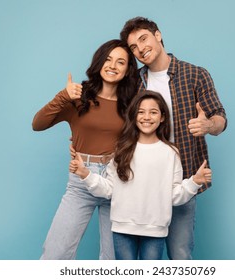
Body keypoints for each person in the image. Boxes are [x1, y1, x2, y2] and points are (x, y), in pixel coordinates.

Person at [120, 17, 227, 260]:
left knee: (179, 254)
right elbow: (122, 126)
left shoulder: (195, 74)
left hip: (183, 179)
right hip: (142, 184)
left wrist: (208, 124)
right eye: (133, 47)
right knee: (140, 259)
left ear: (158, 35)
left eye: (143, 39)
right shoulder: (134, 82)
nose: (140, 49)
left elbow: (220, 119)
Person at [69, 90, 212, 260]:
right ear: (134, 116)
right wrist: (85, 173)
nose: (147, 117)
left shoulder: (170, 153)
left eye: (153, 112)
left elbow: (173, 196)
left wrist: (194, 181)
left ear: (162, 117)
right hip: (122, 229)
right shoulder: (122, 150)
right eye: (141, 112)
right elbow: (109, 189)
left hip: (155, 230)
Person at [32, 39, 138, 260]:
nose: (113, 66)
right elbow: (38, 124)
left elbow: (143, 139)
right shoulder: (78, 96)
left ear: (128, 70)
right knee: (55, 253)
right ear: (99, 62)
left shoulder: (132, 103)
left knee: (114, 260)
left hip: (118, 181)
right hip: (81, 180)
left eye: (121, 62)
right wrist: (63, 95)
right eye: (108, 59)